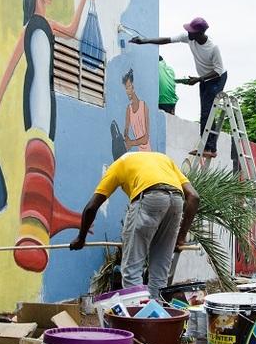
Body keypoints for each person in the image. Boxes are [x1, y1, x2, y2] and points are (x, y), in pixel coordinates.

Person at [0, 0, 95, 272]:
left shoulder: (47, 23)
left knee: (46, 149)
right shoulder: (31, 25)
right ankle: (35, 222)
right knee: (39, 151)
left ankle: (44, 216)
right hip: (35, 105)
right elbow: (9, 73)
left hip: (48, 109)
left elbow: (75, 27)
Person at [70, 152, 200, 299]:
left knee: (132, 269)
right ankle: (156, 316)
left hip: (150, 197)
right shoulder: (164, 159)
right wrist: (180, 238)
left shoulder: (119, 164)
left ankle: (139, 316)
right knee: (160, 271)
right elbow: (194, 197)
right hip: (177, 200)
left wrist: (81, 238)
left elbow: (91, 207)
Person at [129, 17, 226, 157]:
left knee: (207, 110)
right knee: (206, 110)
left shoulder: (212, 48)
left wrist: (199, 79)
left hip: (217, 77)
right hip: (204, 78)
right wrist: (144, 41)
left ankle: (208, 148)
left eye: (192, 31)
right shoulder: (189, 38)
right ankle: (211, 148)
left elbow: (218, 71)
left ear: (200, 33)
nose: (188, 33)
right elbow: (167, 40)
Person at [121, 69, 151, 151]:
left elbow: (145, 138)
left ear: (133, 87)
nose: (127, 91)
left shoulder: (144, 106)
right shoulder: (129, 109)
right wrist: (126, 136)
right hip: (138, 153)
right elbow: (126, 130)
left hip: (147, 152)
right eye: (126, 89)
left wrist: (131, 143)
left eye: (128, 87)